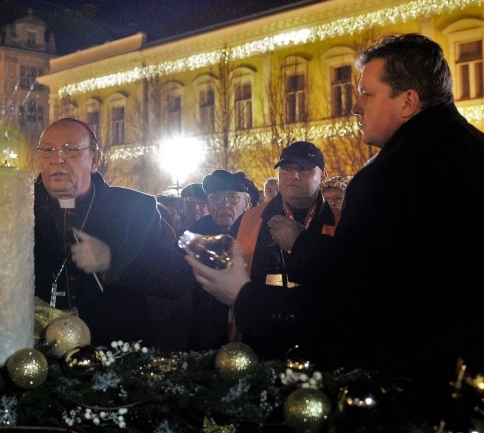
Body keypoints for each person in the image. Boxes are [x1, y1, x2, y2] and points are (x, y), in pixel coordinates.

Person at [191, 34, 484, 387]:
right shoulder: (473, 149)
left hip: (411, 386)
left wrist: (244, 296)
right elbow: (401, 267)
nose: (355, 105)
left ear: (408, 102)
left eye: (367, 93)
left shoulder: (392, 175)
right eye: (286, 169)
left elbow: (352, 308)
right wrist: (304, 247)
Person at [0, 118, 190, 348]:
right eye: (48, 150)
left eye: (70, 150)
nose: (57, 158)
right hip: (32, 358)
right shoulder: (14, 204)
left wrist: (112, 260)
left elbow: (175, 279)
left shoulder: (135, 209)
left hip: (112, 357)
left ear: (95, 160)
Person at [189, 141, 335, 359]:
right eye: (286, 168)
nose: (293, 175)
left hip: (322, 342)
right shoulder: (249, 220)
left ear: (323, 176)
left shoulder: (340, 221)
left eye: (303, 169)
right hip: (256, 343)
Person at [185, 169, 256, 350]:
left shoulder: (259, 232)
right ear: (208, 205)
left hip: (252, 327)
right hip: (206, 329)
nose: (224, 205)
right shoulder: (193, 237)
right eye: (216, 199)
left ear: (247, 202)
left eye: (233, 198)